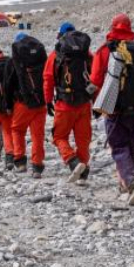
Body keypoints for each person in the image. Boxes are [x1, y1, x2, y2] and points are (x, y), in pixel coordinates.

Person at [90, 14, 134, 205]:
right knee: (131, 143)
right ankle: (125, 181)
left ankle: (131, 181)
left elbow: (95, 80)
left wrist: (98, 103)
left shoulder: (106, 51)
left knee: (118, 146)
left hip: (114, 107)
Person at [44, 22, 94, 184]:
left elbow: (48, 79)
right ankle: (83, 173)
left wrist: (47, 101)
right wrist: (97, 101)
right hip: (84, 103)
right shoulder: (87, 54)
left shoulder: (55, 55)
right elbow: (96, 78)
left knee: (59, 136)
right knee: (83, 139)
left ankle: (73, 162)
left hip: (64, 104)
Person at [8, 32, 49, 177]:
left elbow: (9, 84)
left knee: (17, 129)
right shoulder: (40, 57)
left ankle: (20, 161)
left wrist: (8, 104)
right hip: (41, 102)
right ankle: (37, 166)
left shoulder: (15, 61)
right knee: (37, 134)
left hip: (23, 103)